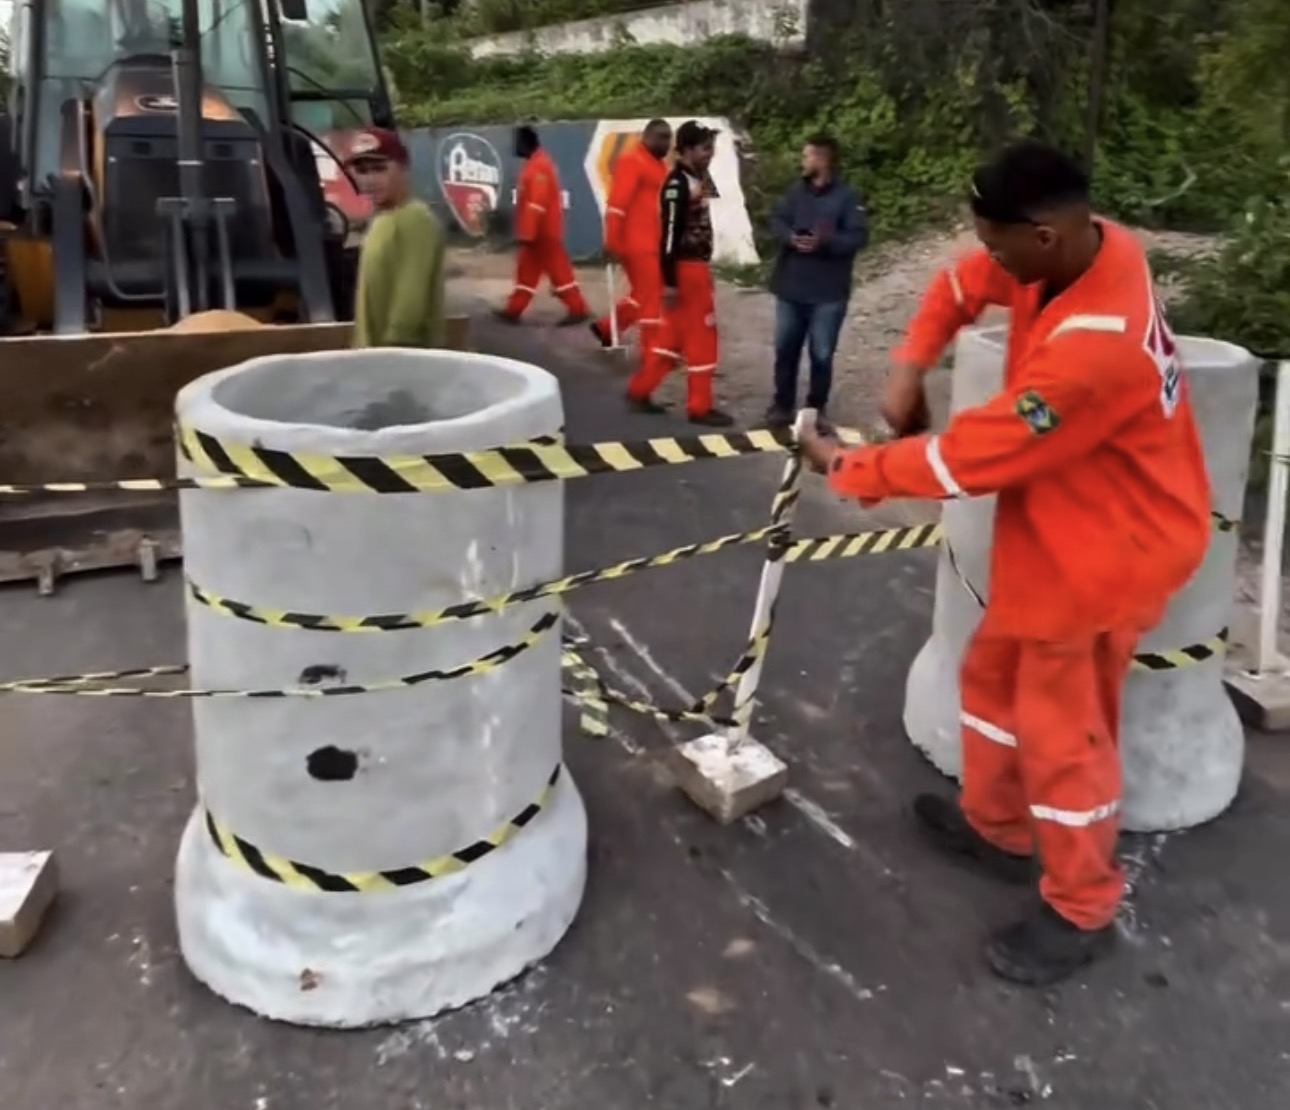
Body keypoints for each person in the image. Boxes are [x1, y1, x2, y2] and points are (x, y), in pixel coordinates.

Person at [797, 140, 1212, 987]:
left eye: (998, 244)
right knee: (990, 678)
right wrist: (911, 365)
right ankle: (999, 828)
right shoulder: (1088, 249)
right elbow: (959, 285)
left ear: (1048, 235)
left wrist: (848, 465)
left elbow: (966, 462)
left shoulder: (1094, 349)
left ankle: (1082, 906)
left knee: (1066, 735)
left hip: (1111, 553)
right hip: (1061, 527)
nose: (987, 259)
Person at [626, 120, 734, 427]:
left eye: (712, 147)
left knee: (671, 340)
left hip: (693, 268)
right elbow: (670, 235)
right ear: (686, 150)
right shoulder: (677, 184)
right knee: (703, 337)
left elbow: (700, 222)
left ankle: (640, 390)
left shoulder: (696, 177)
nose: (710, 153)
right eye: (704, 148)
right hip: (685, 271)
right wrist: (671, 282)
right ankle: (700, 407)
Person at [765, 135, 869, 430]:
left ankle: (815, 410)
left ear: (823, 160)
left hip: (827, 292)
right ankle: (781, 406)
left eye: (808, 156)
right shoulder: (796, 193)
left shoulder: (847, 198)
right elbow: (777, 221)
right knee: (785, 350)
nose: (803, 161)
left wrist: (824, 241)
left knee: (821, 353)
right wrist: (790, 238)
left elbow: (858, 237)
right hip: (791, 287)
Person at [346, 128, 447, 349]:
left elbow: (411, 295)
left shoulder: (415, 218)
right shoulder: (384, 218)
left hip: (399, 359)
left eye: (380, 169)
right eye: (362, 170)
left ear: (403, 168)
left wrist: (394, 354)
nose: (370, 179)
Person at [495, 125, 591, 326]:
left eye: (517, 143)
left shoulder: (539, 167)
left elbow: (536, 204)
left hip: (544, 233)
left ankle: (578, 309)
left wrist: (527, 233)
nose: (514, 148)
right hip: (538, 234)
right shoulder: (536, 164)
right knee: (527, 273)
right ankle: (514, 310)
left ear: (526, 143)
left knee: (559, 273)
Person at [591, 119, 673, 352]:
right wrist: (612, 241)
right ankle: (652, 350)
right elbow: (617, 204)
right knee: (652, 295)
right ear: (647, 137)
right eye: (661, 137)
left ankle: (608, 328)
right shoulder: (632, 161)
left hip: (653, 241)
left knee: (643, 293)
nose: (666, 144)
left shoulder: (658, 167)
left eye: (668, 138)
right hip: (637, 243)